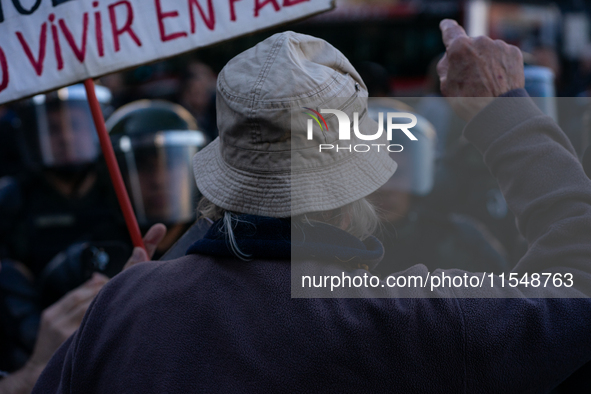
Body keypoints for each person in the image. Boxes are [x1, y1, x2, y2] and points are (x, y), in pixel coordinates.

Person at [34, 23, 591, 393]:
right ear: (355, 190)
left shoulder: (129, 306)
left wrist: (122, 314)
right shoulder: (411, 322)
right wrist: (504, 112)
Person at [107, 100, 209, 258]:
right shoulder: (101, 253)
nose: (158, 180)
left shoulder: (218, 243)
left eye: (171, 164)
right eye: (142, 167)